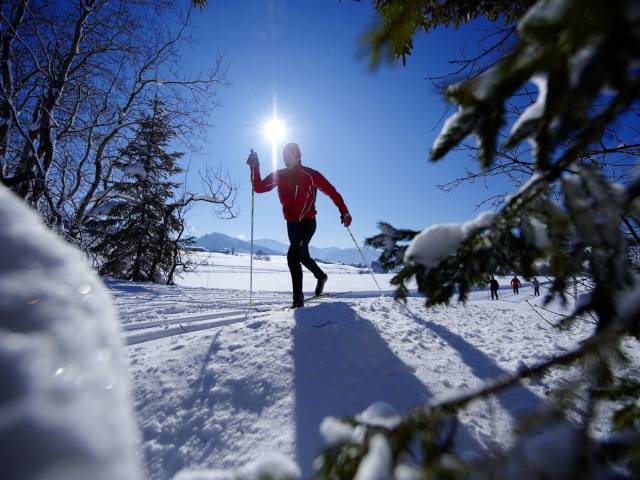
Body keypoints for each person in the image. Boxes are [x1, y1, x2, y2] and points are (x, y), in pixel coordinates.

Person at [247, 143, 351, 308]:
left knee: (293, 256)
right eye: (284, 156)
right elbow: (258, 187)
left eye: (290, 155)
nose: (287, 159)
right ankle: (321, 276)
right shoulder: (279, 175)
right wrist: (255, 166)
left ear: (298, 156)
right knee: (302, 256)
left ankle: (298, 300)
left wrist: (344, 212)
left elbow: (332, 192)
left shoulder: (311, 174)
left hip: (308, 222)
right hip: (291, 224)